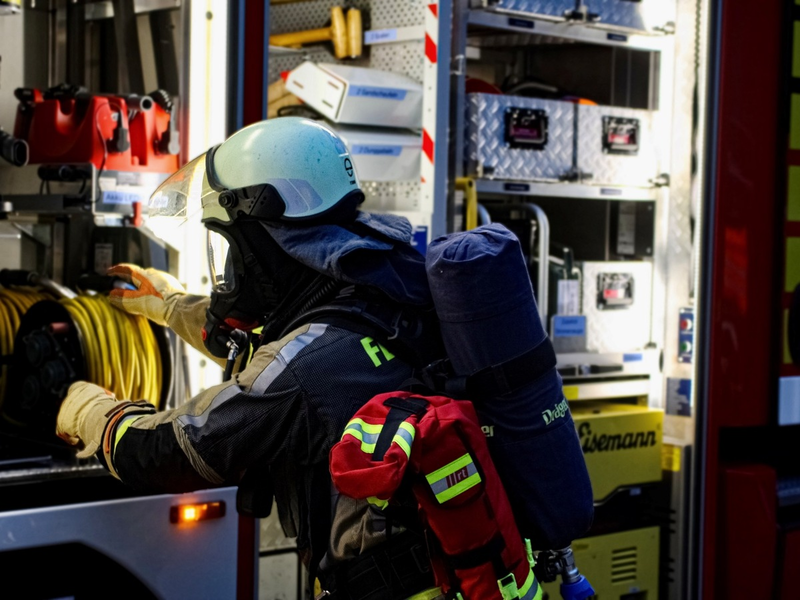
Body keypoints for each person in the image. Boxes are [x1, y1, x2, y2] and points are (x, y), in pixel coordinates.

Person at [55, 117, 444, 600]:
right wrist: (173, 308)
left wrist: (95, 415)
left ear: (263, 240)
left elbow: (171, 453)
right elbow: (280, 346)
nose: (230, 262)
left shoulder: (307, 365)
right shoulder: (392, 285)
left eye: (231, 243)